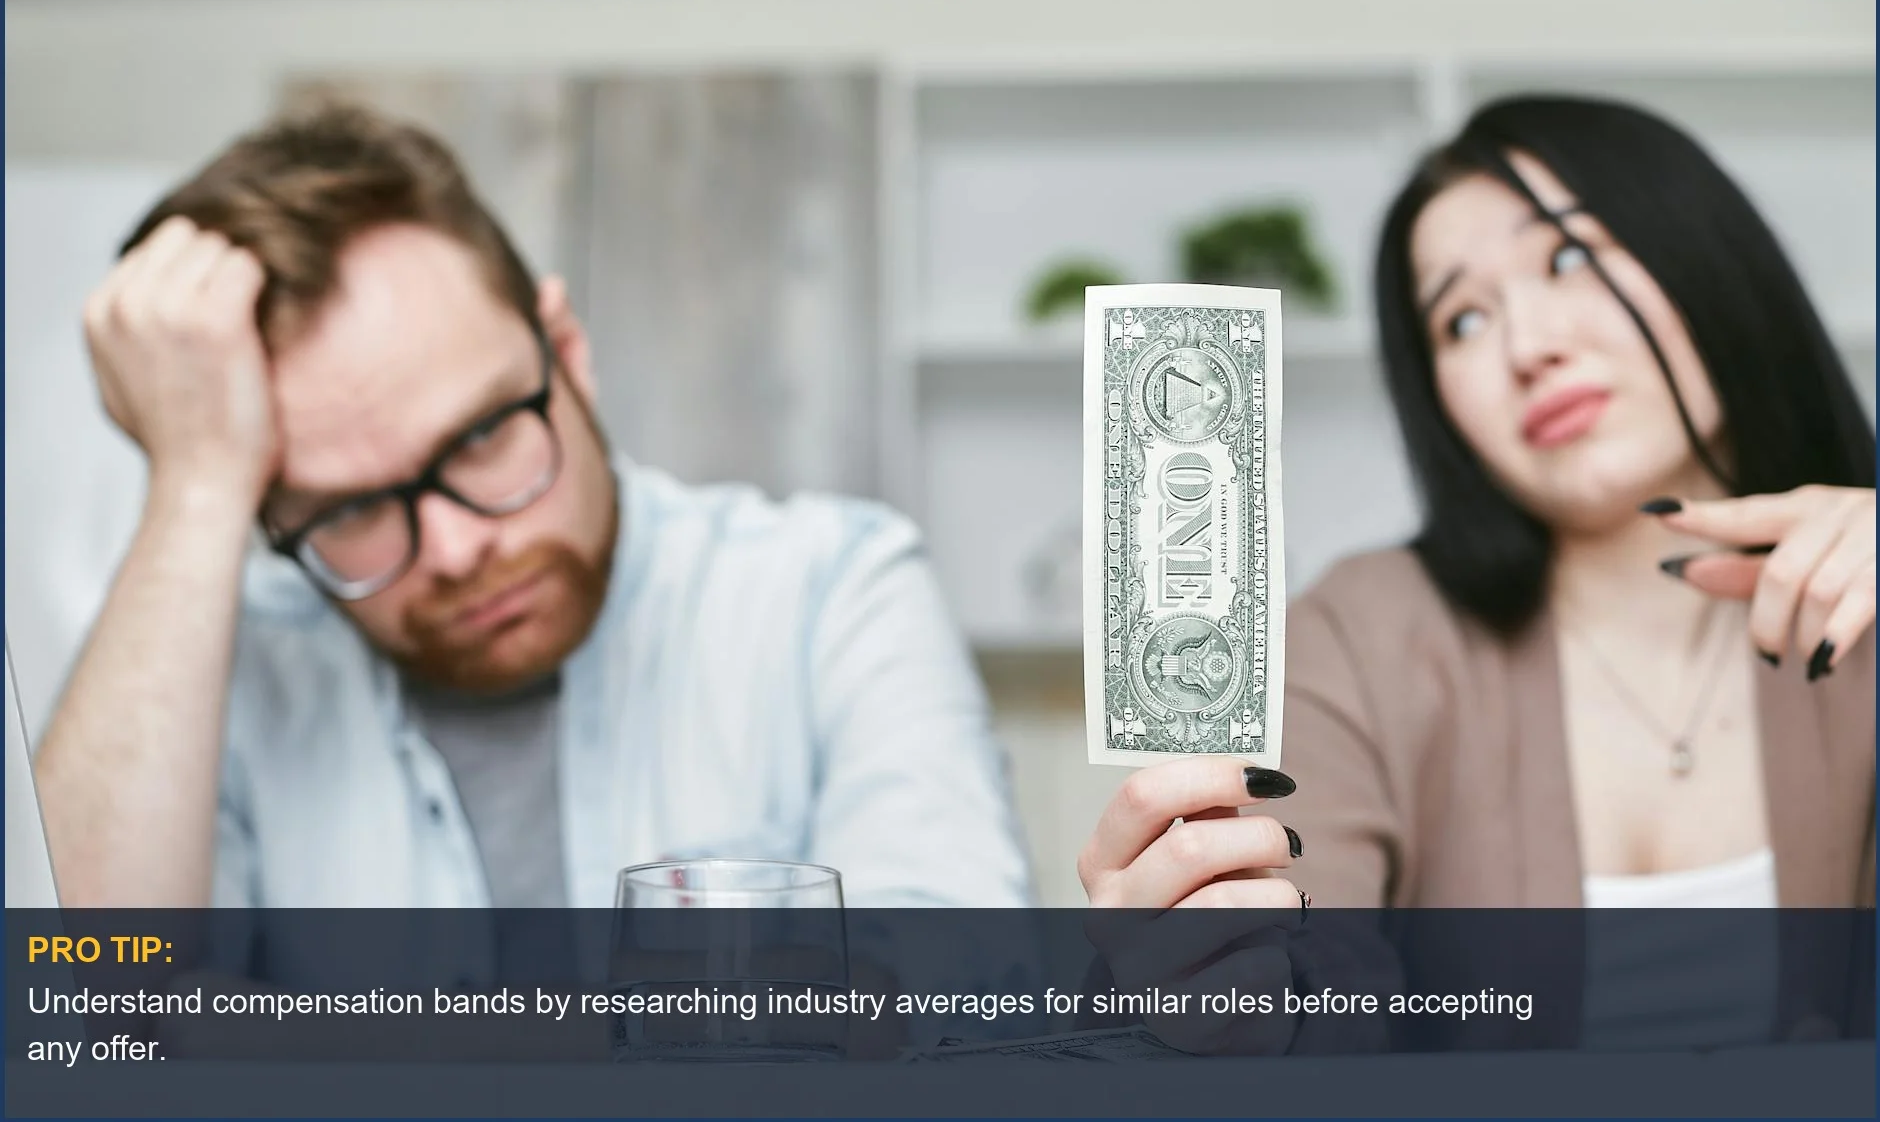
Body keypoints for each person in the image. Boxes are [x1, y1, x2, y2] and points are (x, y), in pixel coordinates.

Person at [33, 105, 1032, 939]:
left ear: (566, 351)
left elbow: (950, 1023)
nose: (459, 549)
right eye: (352, 508)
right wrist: (195, 485)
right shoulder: (223, 676)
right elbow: (82, 1025)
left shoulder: (831, 591)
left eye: (478, 438)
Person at [1078, 94, 1876, 1051]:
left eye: (1570, 257)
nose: (1528, 347)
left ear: (1707, 252)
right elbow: (1304, 983)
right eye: (1460, 321)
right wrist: (1218, 1010)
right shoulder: (1358, 636)